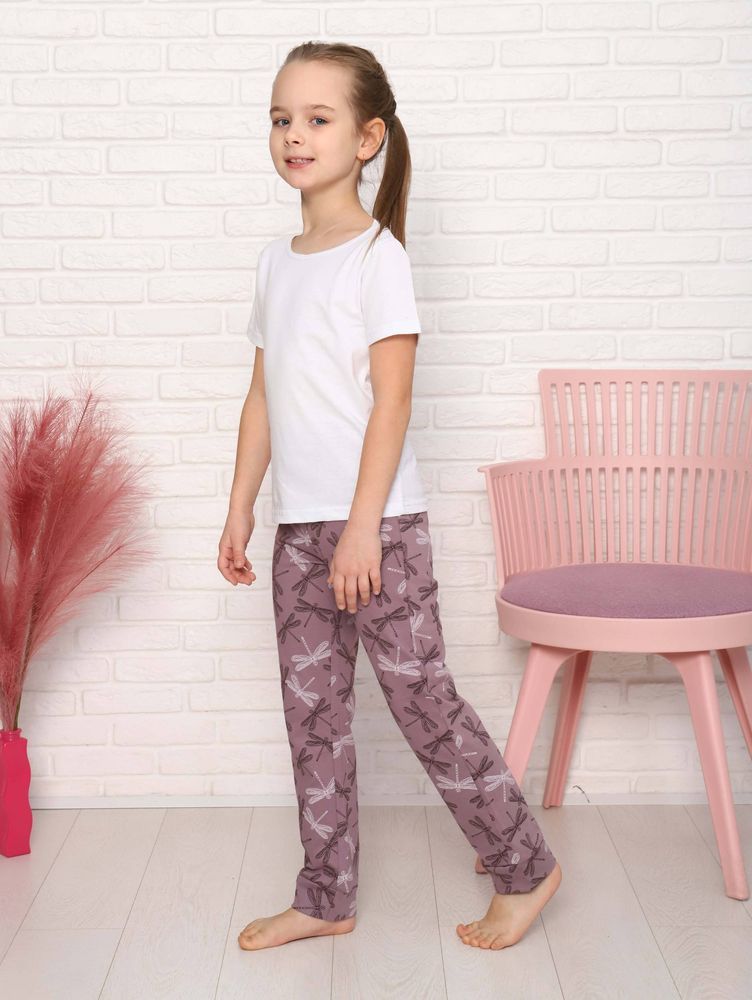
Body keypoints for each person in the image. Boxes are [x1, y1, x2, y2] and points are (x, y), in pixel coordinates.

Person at [218, 41, 562, 953]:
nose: (294, 135)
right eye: (281, 119)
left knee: (424, 705)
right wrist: (241, 504)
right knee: (314, 720)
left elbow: (393, 401)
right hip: (298, 529)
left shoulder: (379, 258)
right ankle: (325, 895)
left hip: (378, 530)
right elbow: (262, 395)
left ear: (367, 139)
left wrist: (363, 529)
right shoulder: (277, 263)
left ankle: (525, 867)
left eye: (317, 118)